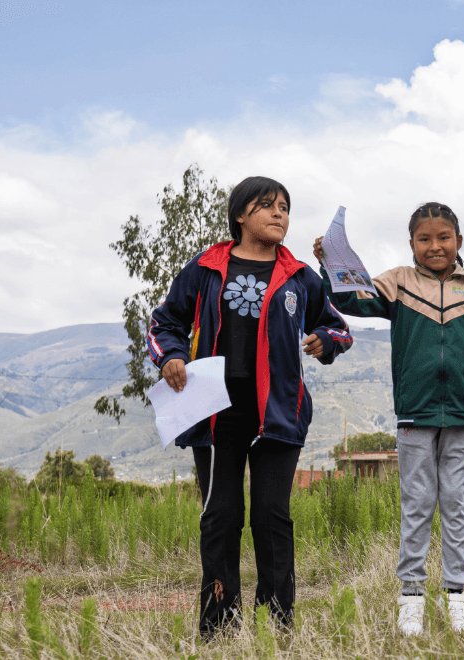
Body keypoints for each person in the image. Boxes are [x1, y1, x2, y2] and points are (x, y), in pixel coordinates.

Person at [313, 202, 464, 636]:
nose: (434, 246)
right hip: (414, 415)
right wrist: (330, 265)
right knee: (416, 506)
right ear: (411, 243)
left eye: (443, 237)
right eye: (424, 239)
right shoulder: (398, 282)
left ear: (459, 241)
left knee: (458, 508)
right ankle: (411, 597)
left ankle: (456, 596)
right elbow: (352, 299)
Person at [149, 176, 353, 638]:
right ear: (241, 214)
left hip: (278, 412)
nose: (279, 213)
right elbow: (164, 323)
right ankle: (219, 626)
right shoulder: (205, 268)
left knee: (271, 517)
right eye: (267, 205)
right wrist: (171, 356)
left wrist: (326, 341)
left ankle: (275, 625)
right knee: (220, 517)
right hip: (214, 413)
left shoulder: (300, 276)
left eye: (285, 206)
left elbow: (338, 327)